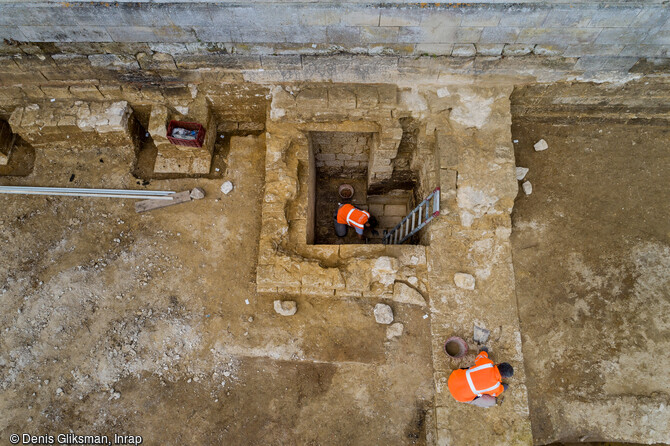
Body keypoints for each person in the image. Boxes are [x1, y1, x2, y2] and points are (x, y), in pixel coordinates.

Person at [447, 348, 514, 408]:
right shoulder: (495, 386)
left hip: (453, 378)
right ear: (504, 377)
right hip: (459, 396)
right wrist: (504, 387)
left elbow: (480, 356)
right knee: (492, 401)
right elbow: (496, 393)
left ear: (499, 364)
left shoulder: (486, 364)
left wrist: (484, 351)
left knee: (474, 369)